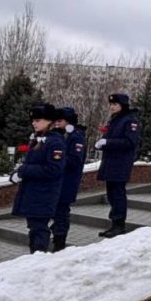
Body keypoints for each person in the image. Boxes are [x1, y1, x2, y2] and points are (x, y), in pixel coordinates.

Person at [11, 103, 65, 253]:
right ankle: (35, 258)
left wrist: (24, 170)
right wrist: (19, 173)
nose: (33, 123)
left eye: (38, 120)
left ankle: (39, 258)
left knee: (39, 229)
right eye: (33, 120)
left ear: (49, 121)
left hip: (44, 193)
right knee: (34, 228)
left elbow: (53, 169)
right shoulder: (39, 138)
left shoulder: (55, 141)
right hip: (34, 192)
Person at [95, 93, 141, 238]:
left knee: (117, 194)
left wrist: (108, 143)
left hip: (120, 163)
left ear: (123, 105)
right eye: (111, 104)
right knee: (111, 193)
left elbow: (129, 142)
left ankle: (119, 225)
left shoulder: (130, 121)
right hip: (111, 162)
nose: (112, 107)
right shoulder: (116, 120)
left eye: (115, 104)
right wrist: (103, 143)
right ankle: (114, 223)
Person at [50, 106, 86, 251]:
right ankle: (57, 235)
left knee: (62, 212)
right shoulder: (62, 135)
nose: (57, 124)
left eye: (60, 121)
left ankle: (60, 242)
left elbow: (75, 161)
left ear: (69, 121)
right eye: (56, 121)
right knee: (57, 211)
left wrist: (56, 160)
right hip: (58, 181)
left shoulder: (76, 137)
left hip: (68, 182)